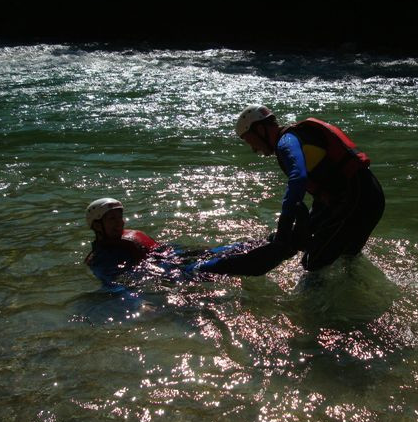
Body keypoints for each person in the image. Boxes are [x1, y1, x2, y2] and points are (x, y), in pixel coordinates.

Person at [235, 105, 385, 272]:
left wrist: (284, 224)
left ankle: (313, 298)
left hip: (358, 199)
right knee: (345, 257)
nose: (254, 149)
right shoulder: (296, 137)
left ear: (260, 129)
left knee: (313, 262)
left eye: (250, 141)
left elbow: (298, 178)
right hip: (366, 196)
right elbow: (326, 193)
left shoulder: (286, 143)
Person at [84, 197, 308, 286]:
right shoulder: (100, 259)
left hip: (172, 258)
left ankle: (283, 239)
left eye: (119, 218)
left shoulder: (128, 238)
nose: (119, 223)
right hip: (167, 274)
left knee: (228, 249)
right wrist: (139, 303)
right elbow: (114, 287)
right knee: (219, 265)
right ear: (96, 226)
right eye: (111, 220)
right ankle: (282, 250)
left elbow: (161, 250)